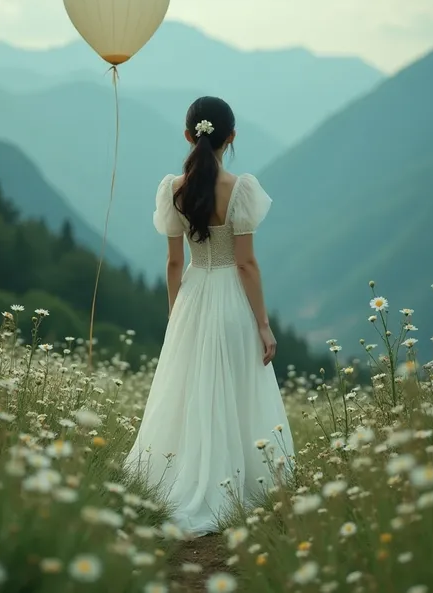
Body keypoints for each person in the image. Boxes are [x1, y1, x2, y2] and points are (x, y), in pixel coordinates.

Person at [124, 96, 294, 537]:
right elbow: (245, 264)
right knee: (237, 387)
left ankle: (182, 476)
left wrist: (175, 314)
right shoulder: (240, 190)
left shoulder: (173, 190)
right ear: (231, 137)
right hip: (232, 300)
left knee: (192, 389)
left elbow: (173, 264)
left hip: (194, 295)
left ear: (188, 135)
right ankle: (241, 484)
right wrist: (262, 323)